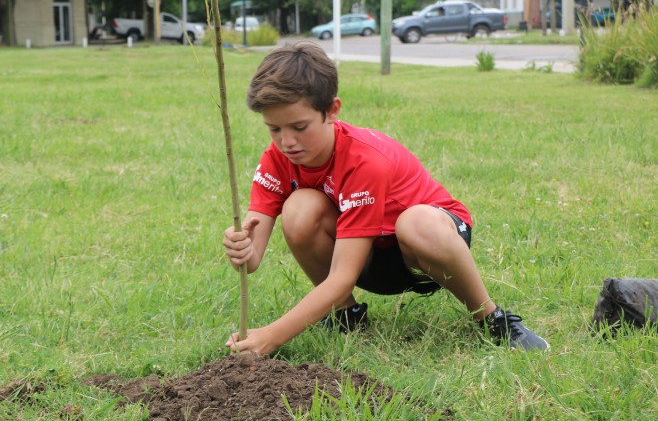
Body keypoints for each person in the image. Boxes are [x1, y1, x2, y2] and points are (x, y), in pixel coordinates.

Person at [223, 42, 548, 355]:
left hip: (427, 251)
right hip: (368, 256)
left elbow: (342, 276)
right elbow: (252, 261)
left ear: (332, 110)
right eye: (274, 129)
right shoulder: (276, 160)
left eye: (299, 126)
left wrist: (272, 336)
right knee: (299, 208)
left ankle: (491, 318)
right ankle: (346, 317)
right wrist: (242, 249)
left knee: (415, 223)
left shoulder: (365, 161)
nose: (287, 141)